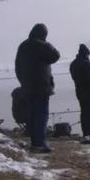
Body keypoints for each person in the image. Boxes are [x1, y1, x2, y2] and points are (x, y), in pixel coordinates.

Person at [15, 24, 60, 153]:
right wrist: (46, 43)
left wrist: (23, 82)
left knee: (32, 115)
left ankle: (35, 142)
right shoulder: (41, 45)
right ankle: (40, 144)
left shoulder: (23, 46)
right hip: (41, 87)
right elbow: (56, 55)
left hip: (28, 87)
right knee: (41, 115)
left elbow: (17, 67)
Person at [69, 44, 90, 143]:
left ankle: (86, 134)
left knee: (84, 112)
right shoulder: (86, 63)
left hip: (79, 91)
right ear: (86, 54)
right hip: (89, 92)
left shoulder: (73, 64)